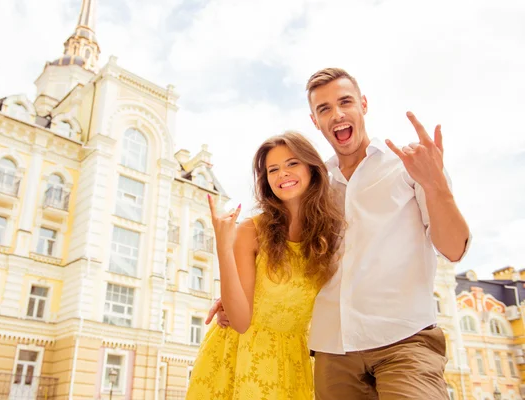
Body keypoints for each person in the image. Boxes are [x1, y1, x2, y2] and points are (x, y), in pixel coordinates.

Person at [209, 68, 471, 400]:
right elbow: (284, 253)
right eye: (324, 109)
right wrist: (235, 299)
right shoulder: (315, 182)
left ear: (363, 104)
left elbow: (454, 249)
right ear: (315, 121)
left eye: (345, 102)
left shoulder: (409, 165)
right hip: (333, 350)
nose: (337, 114)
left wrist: (437, 188)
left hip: (404, 341)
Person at [185, 131, 344, 399]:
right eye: (273, 169)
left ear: (311, 168)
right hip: (241, 356)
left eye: (292, 163)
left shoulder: (328, 234)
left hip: (296, 359)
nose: (282, 174)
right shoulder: (251, 231)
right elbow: (240, 322)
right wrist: (223, 248)